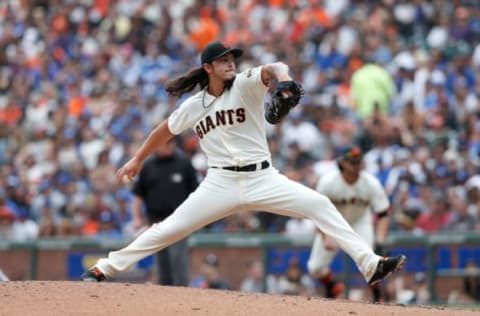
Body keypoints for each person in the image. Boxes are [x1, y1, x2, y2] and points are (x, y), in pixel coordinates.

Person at [80, 41, 406, 287]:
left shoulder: (246, 84)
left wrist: (285, 81)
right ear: (208, 67)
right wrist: (137, 158)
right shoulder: (194, 106)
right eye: (222, 60)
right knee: (168, 229)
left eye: (231, 58)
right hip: (219, 183)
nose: (230, 63)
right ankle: (104, 268)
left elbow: (274, 66)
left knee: (320, 204)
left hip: (263, 178)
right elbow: (162, 131)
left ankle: (370, 264)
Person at [307, 146, 391, 302]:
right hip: (332, 223)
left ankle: (378, 295)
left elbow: (383, 213)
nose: (356, 165)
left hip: (360, 222)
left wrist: (380, 240)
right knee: (315, 267)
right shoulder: (328, 182)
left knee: (369, 261)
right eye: (352, 162)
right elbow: (316, 210)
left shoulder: (371, 183)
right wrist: (325, 235)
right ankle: (334, 287)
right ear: (343, 163)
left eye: (358, 162)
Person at [131, 141, 198, 286]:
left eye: (170, 143)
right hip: (156, 221)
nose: (169, 146)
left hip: (179, 221)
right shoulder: (148, 166)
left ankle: (182, 294)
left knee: (177, 257)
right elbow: (138, 194)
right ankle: (165, 296)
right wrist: (136, 217)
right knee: (162, 261)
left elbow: (197, 193)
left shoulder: (184, 163)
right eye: (165, 144)